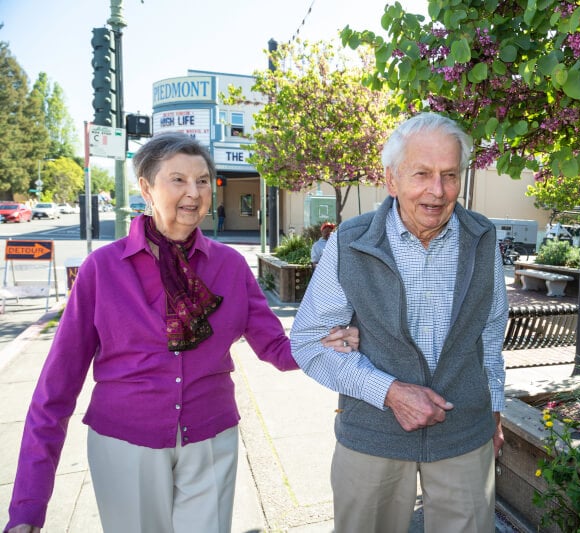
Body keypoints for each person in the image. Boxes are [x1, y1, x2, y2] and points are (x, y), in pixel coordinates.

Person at [4, 132, 359, 533]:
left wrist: (324, 342)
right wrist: (28, 506)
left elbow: (275, 347)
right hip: (125, 443)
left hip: (210, 437)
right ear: (146, 189)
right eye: (178, 180)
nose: (194, 192)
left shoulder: (229, 265)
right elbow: (56, 388)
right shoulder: (102, 270)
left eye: (203, 180)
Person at [290, 112, 509, 532]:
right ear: (391, 180)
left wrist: (494, 411)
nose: (438, 190)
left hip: (464, 432)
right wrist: (389, 391)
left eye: (449, 174)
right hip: (373, 434)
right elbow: (310, 341)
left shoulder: (482, 239)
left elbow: (490, 333)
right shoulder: (350, 242)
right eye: (421, 174)